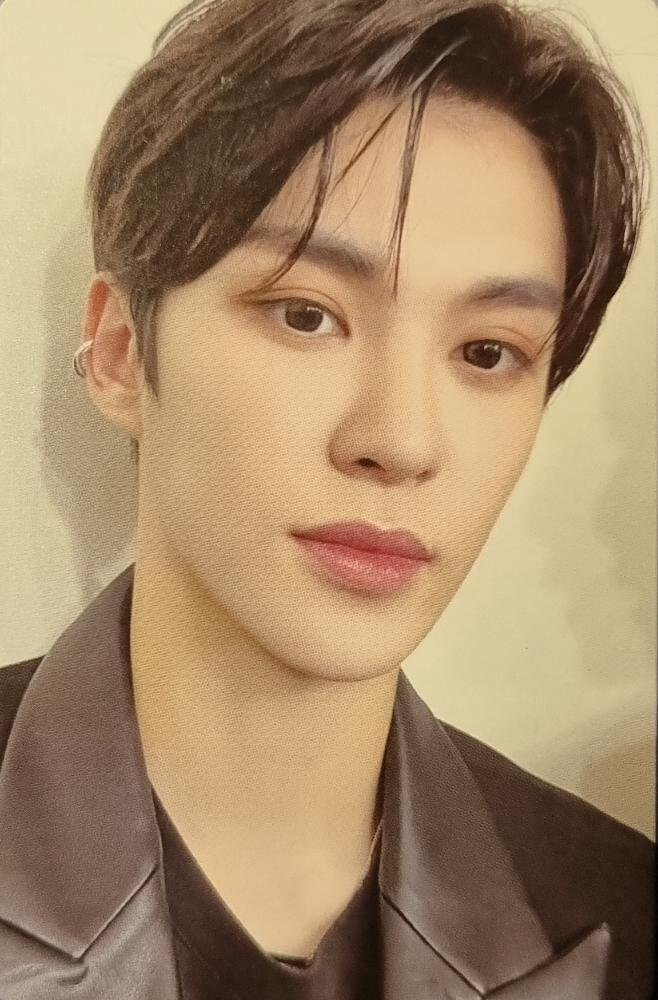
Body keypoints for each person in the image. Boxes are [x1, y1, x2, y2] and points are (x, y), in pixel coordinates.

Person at [0, 0, 654, 997]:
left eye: (488, 353)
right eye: (307, 315)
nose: (401, 441)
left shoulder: (624, 918)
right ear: (122, 352)